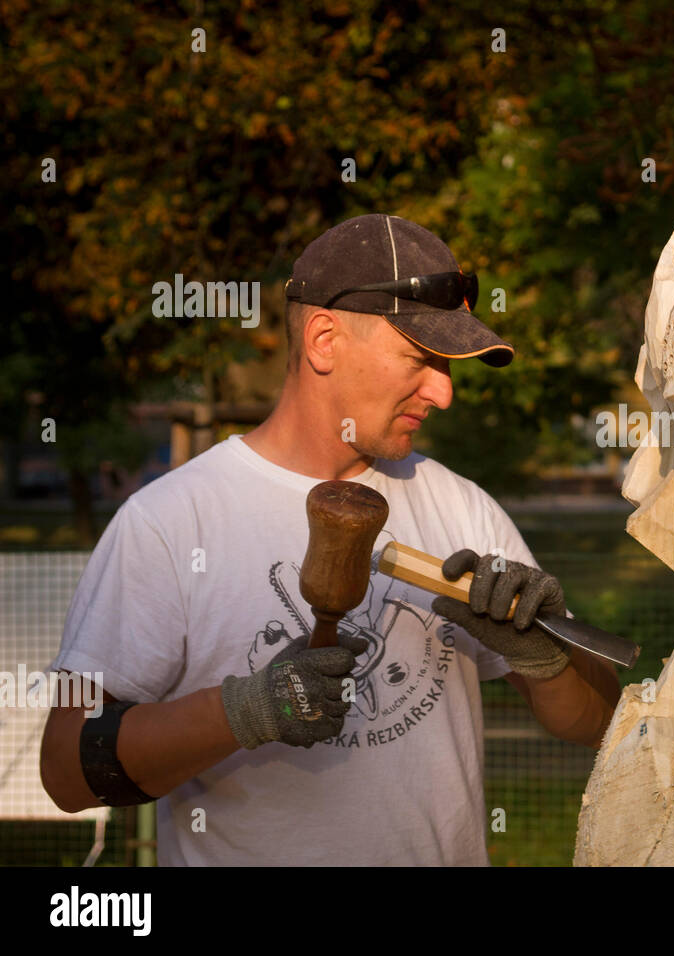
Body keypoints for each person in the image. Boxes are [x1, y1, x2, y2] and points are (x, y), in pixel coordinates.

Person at [39, 213, 621, 865]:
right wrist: (248, 709)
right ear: (323, 339)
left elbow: (597, 724)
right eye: (422, 359)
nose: (445, 392)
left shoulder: (462, 508)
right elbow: (66, 769)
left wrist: (546, 659)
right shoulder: (171, 523)